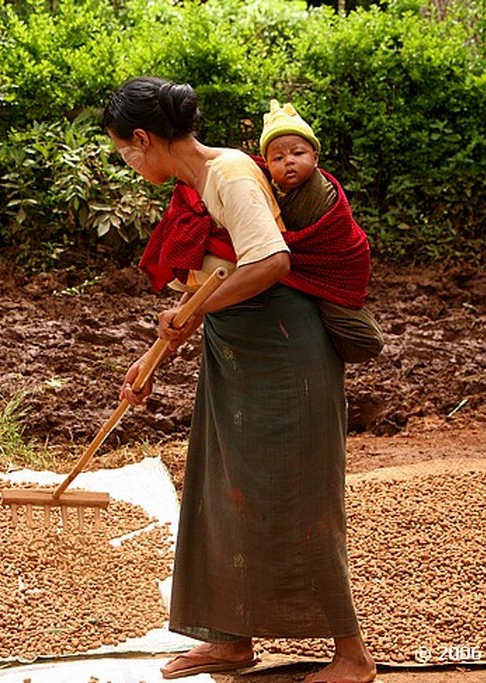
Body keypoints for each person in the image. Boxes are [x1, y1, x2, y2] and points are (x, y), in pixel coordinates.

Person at [103, 76, 377, 683]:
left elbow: (272, 260)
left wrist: (193, 312)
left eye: (125, 149)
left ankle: (352, 656)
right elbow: (217, 279)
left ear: (144, 139)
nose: (128, 161)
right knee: (220, 487)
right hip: (240, 350)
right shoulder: (198, 183)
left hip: (285, 353)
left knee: (296, 492)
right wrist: (152, 359)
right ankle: (229, 641)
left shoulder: (228, 175)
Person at [259, 99, 384, 363]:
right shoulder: (274, 191)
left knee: (366, 341)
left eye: (298, 153)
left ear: (315, 158)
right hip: (301, 267)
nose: (289, 162)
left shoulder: (318, 192)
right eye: (278, 158)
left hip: (334, 267)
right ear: (267, 166)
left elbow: (270, 235)